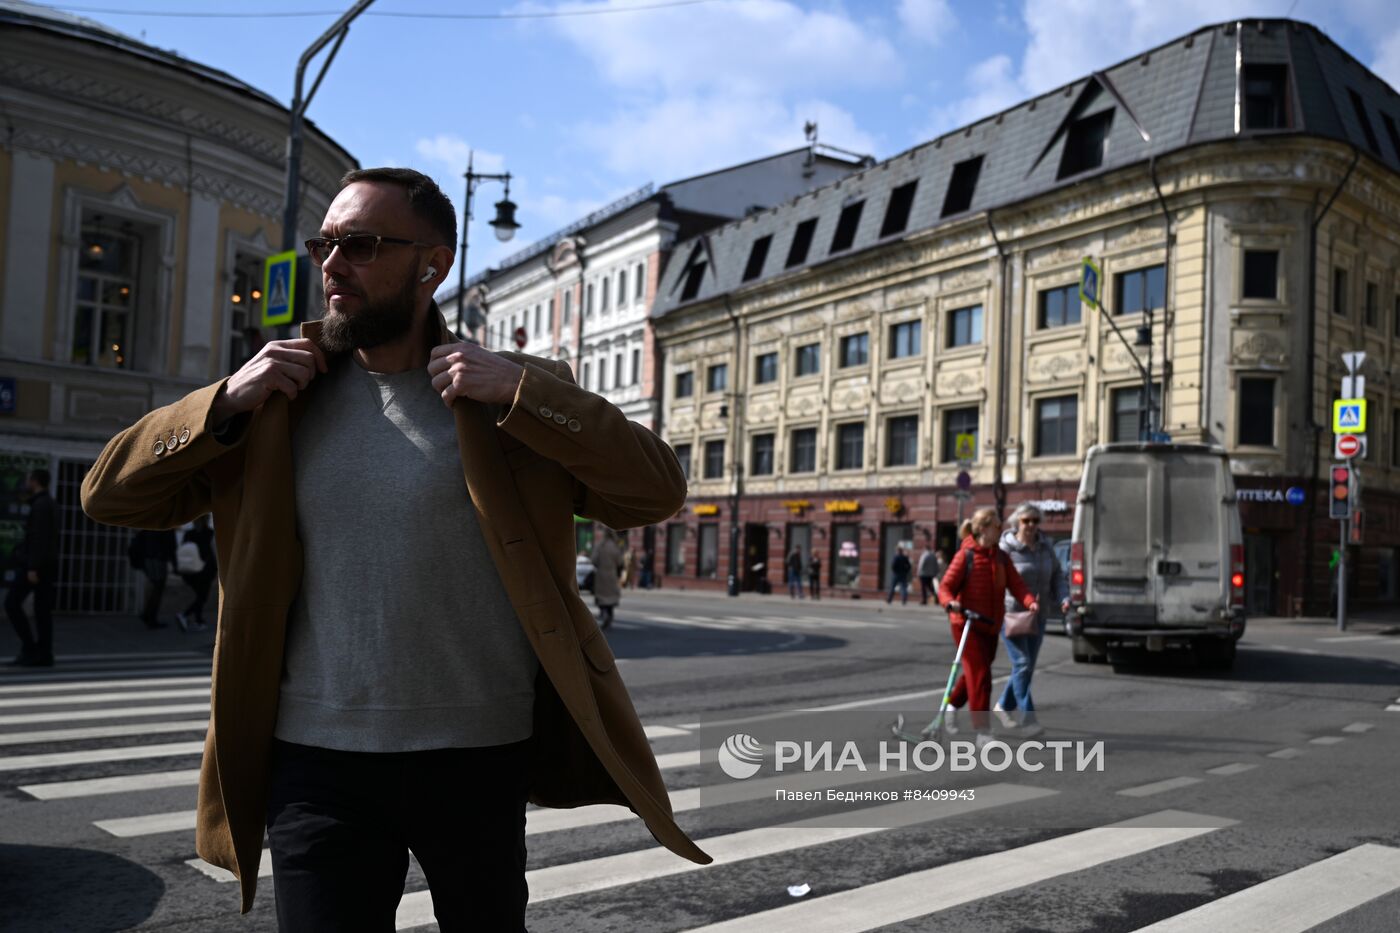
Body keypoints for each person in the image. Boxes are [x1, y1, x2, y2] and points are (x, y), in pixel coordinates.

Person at [81, 166, 708, 931]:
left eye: (361, 245)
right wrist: (221, 402)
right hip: (316, 762)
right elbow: (109, 494)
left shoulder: (509, 395)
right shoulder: (277, 398)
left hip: (477, 755)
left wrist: (527, 392)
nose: (332, 265)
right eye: (325, 245)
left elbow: (655, 491)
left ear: (432, 265)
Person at [937, 507, 1038, 746]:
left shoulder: (1000, 556)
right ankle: (983, 732)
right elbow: (945, 586)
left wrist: (1030, 601)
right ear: (984, 529)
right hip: (966, 623)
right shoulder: (966, 555)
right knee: (981, 674)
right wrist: (949, 602)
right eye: (997, 527)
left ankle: (952, 704)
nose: (1000, 530)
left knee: (974, 673)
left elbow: (1016, 584)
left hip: (991, 624)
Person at [995, 504, 1070, 736]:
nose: (1031, 525)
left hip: (1039, 615)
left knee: (1026, 669)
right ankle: (1029, 720)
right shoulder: (1005, 549)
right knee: (1022, 664)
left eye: (1035, 521)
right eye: (1026, 521)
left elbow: (1057, 575)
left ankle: (1003, 706)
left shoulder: (1046, 547)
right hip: (1011, 614)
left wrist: (1064, 597)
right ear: (1017, 522)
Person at [5, 469, 58, 667]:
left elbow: (39, 538)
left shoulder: (41, 505)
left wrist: (32, 567)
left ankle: (31, 648)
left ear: (35, 481)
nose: (26, 482)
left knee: (12, 604)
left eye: (28, 479)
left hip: (36, 566)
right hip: (45, 565)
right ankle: (43, 652)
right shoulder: (48, 503)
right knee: (42, 611)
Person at [176, 514, 217, 632]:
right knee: (202, 597)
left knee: (200, 596)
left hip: (190, 572)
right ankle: (184, 615)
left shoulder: (189, 534)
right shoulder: (209, 533)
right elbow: (213, 552)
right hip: (205, 571)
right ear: (206, 520)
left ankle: (198, 620)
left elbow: (183, 551)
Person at [129, 529, 176, 630]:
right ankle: (150, 617)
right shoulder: (167, 525)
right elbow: (171, 546)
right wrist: (175, 565)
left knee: (156, 587)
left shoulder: (151, 523)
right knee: (158, 588)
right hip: (157, 559)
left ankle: (148, 614)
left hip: (149, 559)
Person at [592, 528, 623, 630]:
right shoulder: (615, 546)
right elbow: (620, 562)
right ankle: (609, 616)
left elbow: (594, 560)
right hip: (612, 574)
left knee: (602, 597)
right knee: (611, 597)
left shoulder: (600, 545)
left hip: (601, 574)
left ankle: (604, 614)